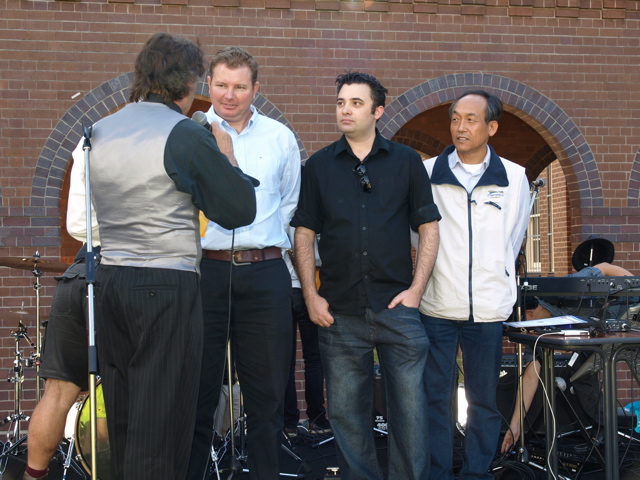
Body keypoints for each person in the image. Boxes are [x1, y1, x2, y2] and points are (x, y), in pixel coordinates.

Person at [68, 32, 258, 480]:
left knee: (126, 415)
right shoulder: (186, 133)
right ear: (185, 83)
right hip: (166, 286)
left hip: (110, 280)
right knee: (163, 416)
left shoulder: (98, 130)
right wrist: (226, 157)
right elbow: (236, 210)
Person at [292, 71, 441, 480]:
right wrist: (310, 295)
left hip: (398, 309)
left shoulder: (407, 161)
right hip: (339, 312)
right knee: (347, 417)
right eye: (341, 102)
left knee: (410, 416)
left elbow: (429, 228)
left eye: (356, 103)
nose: (345, 109)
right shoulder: (319, 165)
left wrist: (416, 290)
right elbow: (303, 233)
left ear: (377, 111)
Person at [188, 46, 301, 480]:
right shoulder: (189, 135)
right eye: (221, 85)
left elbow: (291, 209)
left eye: (239, 87)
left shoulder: (280, 138)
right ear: (208, 85)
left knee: (267, 394)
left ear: (256, 89)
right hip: (206, 273)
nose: (229, 95)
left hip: (266, 272)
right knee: (198, 390)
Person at [419, 90, 530, 480]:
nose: (460, 127)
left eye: (470, 119)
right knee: (435, 398)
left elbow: (513, 238)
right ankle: (437, 472)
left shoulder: (515, 177)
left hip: (487, 309)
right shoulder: (428, 172)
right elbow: (416, 235)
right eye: (455, 119)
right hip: (436, 306)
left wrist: (496, 278)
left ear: (491, 127)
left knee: (484, 400)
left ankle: (476, 473)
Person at [501, 261, 635, 454]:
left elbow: (605, 267)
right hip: (602, 332)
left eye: (520, 324)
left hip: (626, 314)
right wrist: (515, 426)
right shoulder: (537, 332)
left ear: (528, 313)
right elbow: (530, 378)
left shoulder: (564, 288)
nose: (522, 330)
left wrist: (633, 288)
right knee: (579, 373)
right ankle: (608, 430)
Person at [283, 234, 330, 438]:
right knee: (314, 357)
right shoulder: (311, 210)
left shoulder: (277, 207)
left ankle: (289, 422)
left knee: (287, 360)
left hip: (282, 286)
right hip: (312, 288)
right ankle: (317, 419)